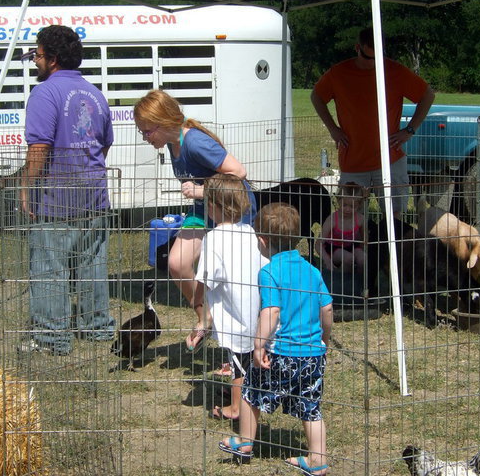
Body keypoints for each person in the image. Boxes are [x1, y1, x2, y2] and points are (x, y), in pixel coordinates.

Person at [134, 89, 256, 351]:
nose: (145, 138)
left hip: (231, 211)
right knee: (177, 264)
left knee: (232, 280)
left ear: (164, 122)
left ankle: (237, 346)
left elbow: (239, 172)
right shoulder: (171, 142)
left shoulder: (195, 142)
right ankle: (206, 317)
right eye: (142, 132)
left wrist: (202, 191)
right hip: (205, 210)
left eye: (147, 131)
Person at [20, 25, 115, 354]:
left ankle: (51, 337)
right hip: (94, 194)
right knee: (92, 263)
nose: (35, 62)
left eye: (38, 55)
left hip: (57, 197)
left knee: (49, 267)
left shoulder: (44, 93)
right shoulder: (95, 93)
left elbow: (39, 148)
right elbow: (103, 146)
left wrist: (26, 190)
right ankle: (96, 327)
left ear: (53, 59)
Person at [219, 202, 333, 475]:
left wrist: (258, 344)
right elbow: (327, 309)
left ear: (262, 240)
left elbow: (270, 311)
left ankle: (245, 443)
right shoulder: (313, 270)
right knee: (310, 407)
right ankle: (318, 460)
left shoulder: (269, 272)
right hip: (312, 354)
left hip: (281, 352)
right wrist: (324, 339)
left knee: (250, 393)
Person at [311, 26, 435, 218]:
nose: (373, 63)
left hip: (390, 160)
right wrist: (333, 129)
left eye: (378, 57)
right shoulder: (338, 73)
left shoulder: (396, 71)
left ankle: (389, 248)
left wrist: (410, 129)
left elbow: (427, 95)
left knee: (395, 220)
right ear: (357, 48)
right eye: (368, 58)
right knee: (351, 220)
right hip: (353, 162)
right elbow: (316, 96)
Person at [195, 174, 267, 421]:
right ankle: (250, 397)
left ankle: (236, 408)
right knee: (249, 360)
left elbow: (207, 278)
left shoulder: (213, 238)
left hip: (235, 315)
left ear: (213, 206)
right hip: (256, 310)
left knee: (238, 363)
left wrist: (200, 312)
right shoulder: (250, 232)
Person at [319, 182, 366, 274]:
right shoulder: (332, 219)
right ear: (338, 201)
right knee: (348, 258)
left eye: (352, 206)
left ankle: (360, 283)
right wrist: (327, 260)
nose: (348, 209)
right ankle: (343, 284)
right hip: (333, 249)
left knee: (363, 259)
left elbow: (364, 241)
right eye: (344, 205)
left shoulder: (361, 219)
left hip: (352, 246)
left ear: (359, 205)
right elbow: (318, 244)